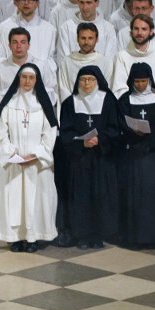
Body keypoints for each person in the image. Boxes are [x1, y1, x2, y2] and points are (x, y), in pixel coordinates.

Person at [0, 62, 59, 252]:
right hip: (14, 163)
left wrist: (37, 154)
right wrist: (12, 154)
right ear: (18, 79)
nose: (27, 81)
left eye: (31, 78)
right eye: (24, 77)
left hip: (36, 164)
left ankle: (33, 238)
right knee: (13, 200)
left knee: (36, 200)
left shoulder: (43, 106)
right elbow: (1, 134)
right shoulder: (8, 105)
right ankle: (14, 238)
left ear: (36, 80)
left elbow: (49, 133)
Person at [58, 65, 120, 249]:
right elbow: (66, 132)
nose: (86, 83)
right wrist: (81, 143)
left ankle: (99, 234)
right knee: (81, 197)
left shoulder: (108, 100)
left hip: (102, 158)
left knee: (102, 196)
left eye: (91, 80)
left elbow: (115, 127)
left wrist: (100, 140)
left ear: (97, 81)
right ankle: (82, 235)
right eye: (83, 80)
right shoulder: (70, 102)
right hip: (80, 161)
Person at [116, 63, 155, 248]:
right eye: (137, 81)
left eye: (143, 81)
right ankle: (135, 237)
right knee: (136, 195)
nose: (140, 85)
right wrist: (133, 131)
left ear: (150, 80)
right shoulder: (125, 100)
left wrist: (153, 135)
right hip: (135, 154)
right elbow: (121, 123)